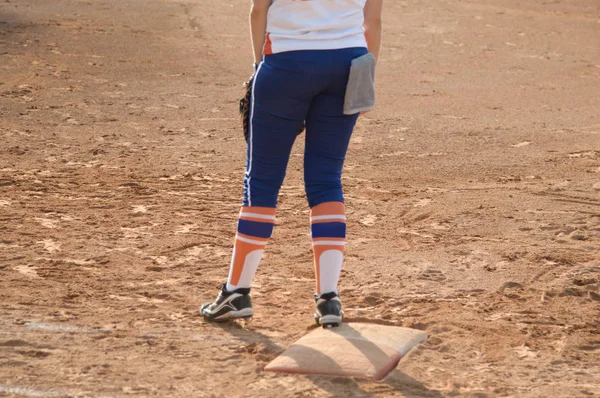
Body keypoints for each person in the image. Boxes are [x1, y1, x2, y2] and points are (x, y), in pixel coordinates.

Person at [201, 0, 383, 327]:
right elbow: (372, 21)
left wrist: (259, 67)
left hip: (286, 63)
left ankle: (237, 291)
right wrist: (366, 78)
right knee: (327, 180)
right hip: (348, 64)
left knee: (261, 183)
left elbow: (259, 10)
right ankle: (329, 299)